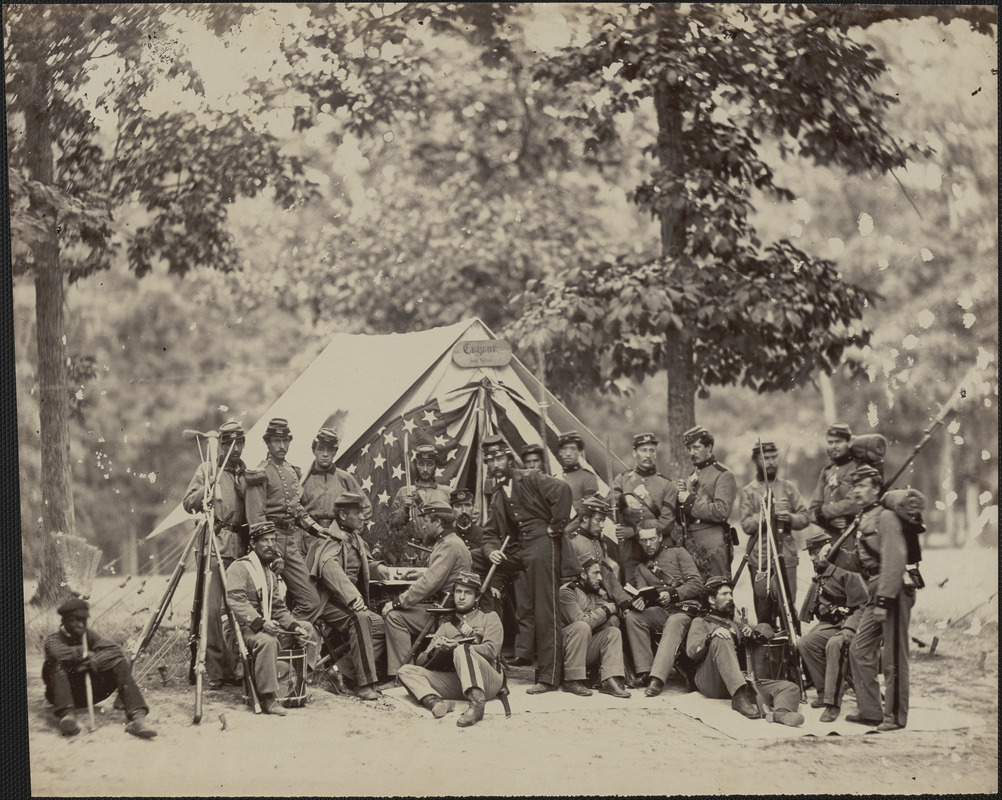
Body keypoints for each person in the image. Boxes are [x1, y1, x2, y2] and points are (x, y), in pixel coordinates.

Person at [481, 434, 573, 694]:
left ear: (508, 458)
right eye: (490, 460)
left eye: (499, 457)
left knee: (547, 612)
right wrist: (490, 553)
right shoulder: (498, 495)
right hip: (522, 552)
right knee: (477, 559)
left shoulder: (530, 476)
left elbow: (563, 490)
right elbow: (489, 535)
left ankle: (549, 677)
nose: (496, 463)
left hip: (544, 547)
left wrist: (556, 526)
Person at [828, 465, 916, 731]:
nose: (856, 490)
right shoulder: (864, 517)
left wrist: (883, 601)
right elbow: (863, 561)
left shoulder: (886, 517)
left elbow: (894, 561)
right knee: (859, 648)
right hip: (874, 590)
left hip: (892, 591)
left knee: (893, 656)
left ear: (877, 489)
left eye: (862, 486)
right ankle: (871, 711)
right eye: (854, 486)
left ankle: (896, 716)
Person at [181, 419, 248, 689]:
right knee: (209, 611)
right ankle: (215, 671)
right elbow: (188, 503)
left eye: (239, 443)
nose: (234, 448)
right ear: (221, 444)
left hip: (240, 549)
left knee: (236, 609)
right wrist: (205, 493)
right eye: (229, 443)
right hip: (213, 547)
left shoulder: (245, 474)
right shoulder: (207, 468)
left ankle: (234, 668)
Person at [245, 417, 333, 620]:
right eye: (277, 441)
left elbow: (297, 508)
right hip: (267, 544)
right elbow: (256, 517)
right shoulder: (260, 472)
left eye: (286, 441)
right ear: (267, 443)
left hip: (290, 543)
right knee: (266, 604)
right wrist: (272, 552)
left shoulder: (291, 471)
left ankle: (287, 640)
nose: (282, 446)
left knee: (311, 601)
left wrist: (316, 528)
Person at [224, 522, 316, 715]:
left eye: (273, 540)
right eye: (264, 540)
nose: (270, 544)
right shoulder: (239, 567)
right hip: (242, 629)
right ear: (253, 543)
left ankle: (298, 680)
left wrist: (293, 625)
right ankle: (267, 697)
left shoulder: (270, 573)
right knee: (267, 641)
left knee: (307, 628)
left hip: (264, 625)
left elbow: (277, 608)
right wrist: (262, 624)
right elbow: (236, 601)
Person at [686, 577, 804, 726]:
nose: (730, 598)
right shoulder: (700, 622)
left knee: (789, 687)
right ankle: (738, 696)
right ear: (711, 599)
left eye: (731, 594)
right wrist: (711, 637)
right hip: (711, 681)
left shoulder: (735, 623)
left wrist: (753, 633)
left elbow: (766, 628)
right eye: (725, 594)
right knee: (721, 637)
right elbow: (691, 652)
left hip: (737, 680)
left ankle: (781, 713)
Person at [306, 492, 390, 700]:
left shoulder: (354, 537)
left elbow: (361, 563)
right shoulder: (330, 538)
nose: (363, 517)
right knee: (360, 618)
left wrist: (380, 568)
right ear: (342, 516)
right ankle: (364, 684)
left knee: (382, 625)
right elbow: (328, 568)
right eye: (358, 513)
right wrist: (352, 597)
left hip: (343, 601)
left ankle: (340, 671)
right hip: (325, 602)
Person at [397, 571, 506, 727]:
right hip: (459, 682)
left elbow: (491, 651)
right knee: (405, 670)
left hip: (488, 681)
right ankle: (436, 702)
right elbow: (421, 660)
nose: (461, 597)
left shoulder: (489, 617)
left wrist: (459, 646)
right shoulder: (446, 626)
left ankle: (477, 705)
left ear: (476, 597)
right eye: (458, 592)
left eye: (467, 593)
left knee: (462, 650)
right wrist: (437, 650)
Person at [381, 498, 472, 680]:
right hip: (447, 608)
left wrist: (397, 602)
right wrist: (420, 573)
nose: (423, 527)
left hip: (445, 615)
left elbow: (429, 583)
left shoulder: (448, 545)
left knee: (394, 616)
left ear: (437, 522)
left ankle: (404, 676)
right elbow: (440, 573)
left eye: (425, 522)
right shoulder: (451, 541)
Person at [42, 599, 157, 738]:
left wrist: (93, 661)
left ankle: (138, 719)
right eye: (76, 620)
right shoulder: (53, 639)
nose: (81, 624)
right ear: (65, 620)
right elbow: (57, 653)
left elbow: (114, 650)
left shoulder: (89, 635)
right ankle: (68, 718)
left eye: (84, 620)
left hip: (92, 692)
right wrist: (84, 653)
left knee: (118, 662)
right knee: (55, 663)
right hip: (63, 695)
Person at [796, 530, 868, 722]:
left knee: (834, 645)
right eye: (810, 552)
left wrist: (849, 629)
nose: (812, 557)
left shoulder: (845, 570)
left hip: (856, 624)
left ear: (828, 549)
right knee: (805, 643)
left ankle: (832, 704)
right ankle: (823, 692)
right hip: (833, 623)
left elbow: (863, 606)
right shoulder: (822, 571)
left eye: (815, 551)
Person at [623, 527, 704, 697]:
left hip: (685, 610)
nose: (648, 544)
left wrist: (673, 594)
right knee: (633, 617)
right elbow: (643, 592)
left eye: (651, 539)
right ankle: (644, 671)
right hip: (663, 611)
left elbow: (697, 583)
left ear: (660, 537)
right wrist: (640, 600)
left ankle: (657, 678)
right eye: (644, 540)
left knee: (674, 622)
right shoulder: (641, 568)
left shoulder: (678, 553)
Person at [736, 441, 810, 626]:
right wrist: (764, 515)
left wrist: (789, 518)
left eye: (773, 458)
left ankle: (792, 653)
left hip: (785, 554)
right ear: (756, 461)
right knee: (764, 612)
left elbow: (805, 517)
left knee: (788, 609)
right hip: (759, 558)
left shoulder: (788, 488)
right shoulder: (749, 491)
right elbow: (745, 524)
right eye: (765, 458)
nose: (770, 462)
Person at [609, 432, 676, 587]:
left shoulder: (667, 484)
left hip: (657, 549)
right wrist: (624, 498)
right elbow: (609, 498)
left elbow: (667, 522)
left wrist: (634, 532)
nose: (648, 455)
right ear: (634, 453)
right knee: (631, 589)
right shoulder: (623, 479)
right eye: (643, 450)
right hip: (630, 551)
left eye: (652, 450)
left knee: (659, 590)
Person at [559, 558, 631, 698]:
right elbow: (582, 620)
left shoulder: (592, 592)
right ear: (583, 575)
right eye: (595, 573)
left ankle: (609, 680)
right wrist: (606, 609)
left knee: (613, 632)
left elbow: (612, 610)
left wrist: (611, 608)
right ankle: (571, 680)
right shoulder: (567, 591)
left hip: (583, 648)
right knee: (582, 625)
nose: (600, 577)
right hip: (565, 649)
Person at [675, 426, 737, 580]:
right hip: (690, 542)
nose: (692, 453)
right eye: (689, 449)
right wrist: (679, 501)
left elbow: (721, 511)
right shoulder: (690, 477)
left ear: (709, 447)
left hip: (713, 541)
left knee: (718, 590)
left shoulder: (723, 474)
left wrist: (689, 501)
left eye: (696, 447)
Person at [563, 496, 630, 607]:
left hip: (599, 597)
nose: (602, 525)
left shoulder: (595, 541)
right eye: (598, 520)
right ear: (585, 518)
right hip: (582, 602)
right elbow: (569, 580)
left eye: (603, 521)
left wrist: (623, 600)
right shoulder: (572, 542)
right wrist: (598, 591)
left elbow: (606, 574)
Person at [301, 427, 373, 526]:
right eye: (320, 449)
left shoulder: (345, 478)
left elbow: (366, 508)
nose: (325, 454)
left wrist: (352, 531)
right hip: (308, 535)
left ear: (335, 452)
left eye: (330, 450)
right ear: (314, 451)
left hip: (338, 536)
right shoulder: (302, 479)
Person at [388, 443, 452, 540]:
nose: (425, 469)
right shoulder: (404, 492)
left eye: (429, 464)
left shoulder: (446, 492)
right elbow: (392, 526)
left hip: (440, 546)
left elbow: (451, 524)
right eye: (421, 464)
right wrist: (404, 509)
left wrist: (420, 502)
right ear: (415, 465)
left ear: (435, 466)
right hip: (413, 548)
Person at [809, 423, 860, 536]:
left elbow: (853, 504)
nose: (833, 446)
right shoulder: (826, 472)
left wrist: (821, 513)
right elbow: (812, 510)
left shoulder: (859, 468)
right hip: (831, 537)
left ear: (849, 442)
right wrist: (828, 522)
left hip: (855, 535)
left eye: (838, 442)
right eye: (830, 442)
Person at [557, 430, 600, 514]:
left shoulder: (588, 477)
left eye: (573, 449)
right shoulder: (555, 477)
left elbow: (589, 510)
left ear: (580, 452)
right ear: (560, 452)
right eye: (564, 449)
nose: (568, 453)